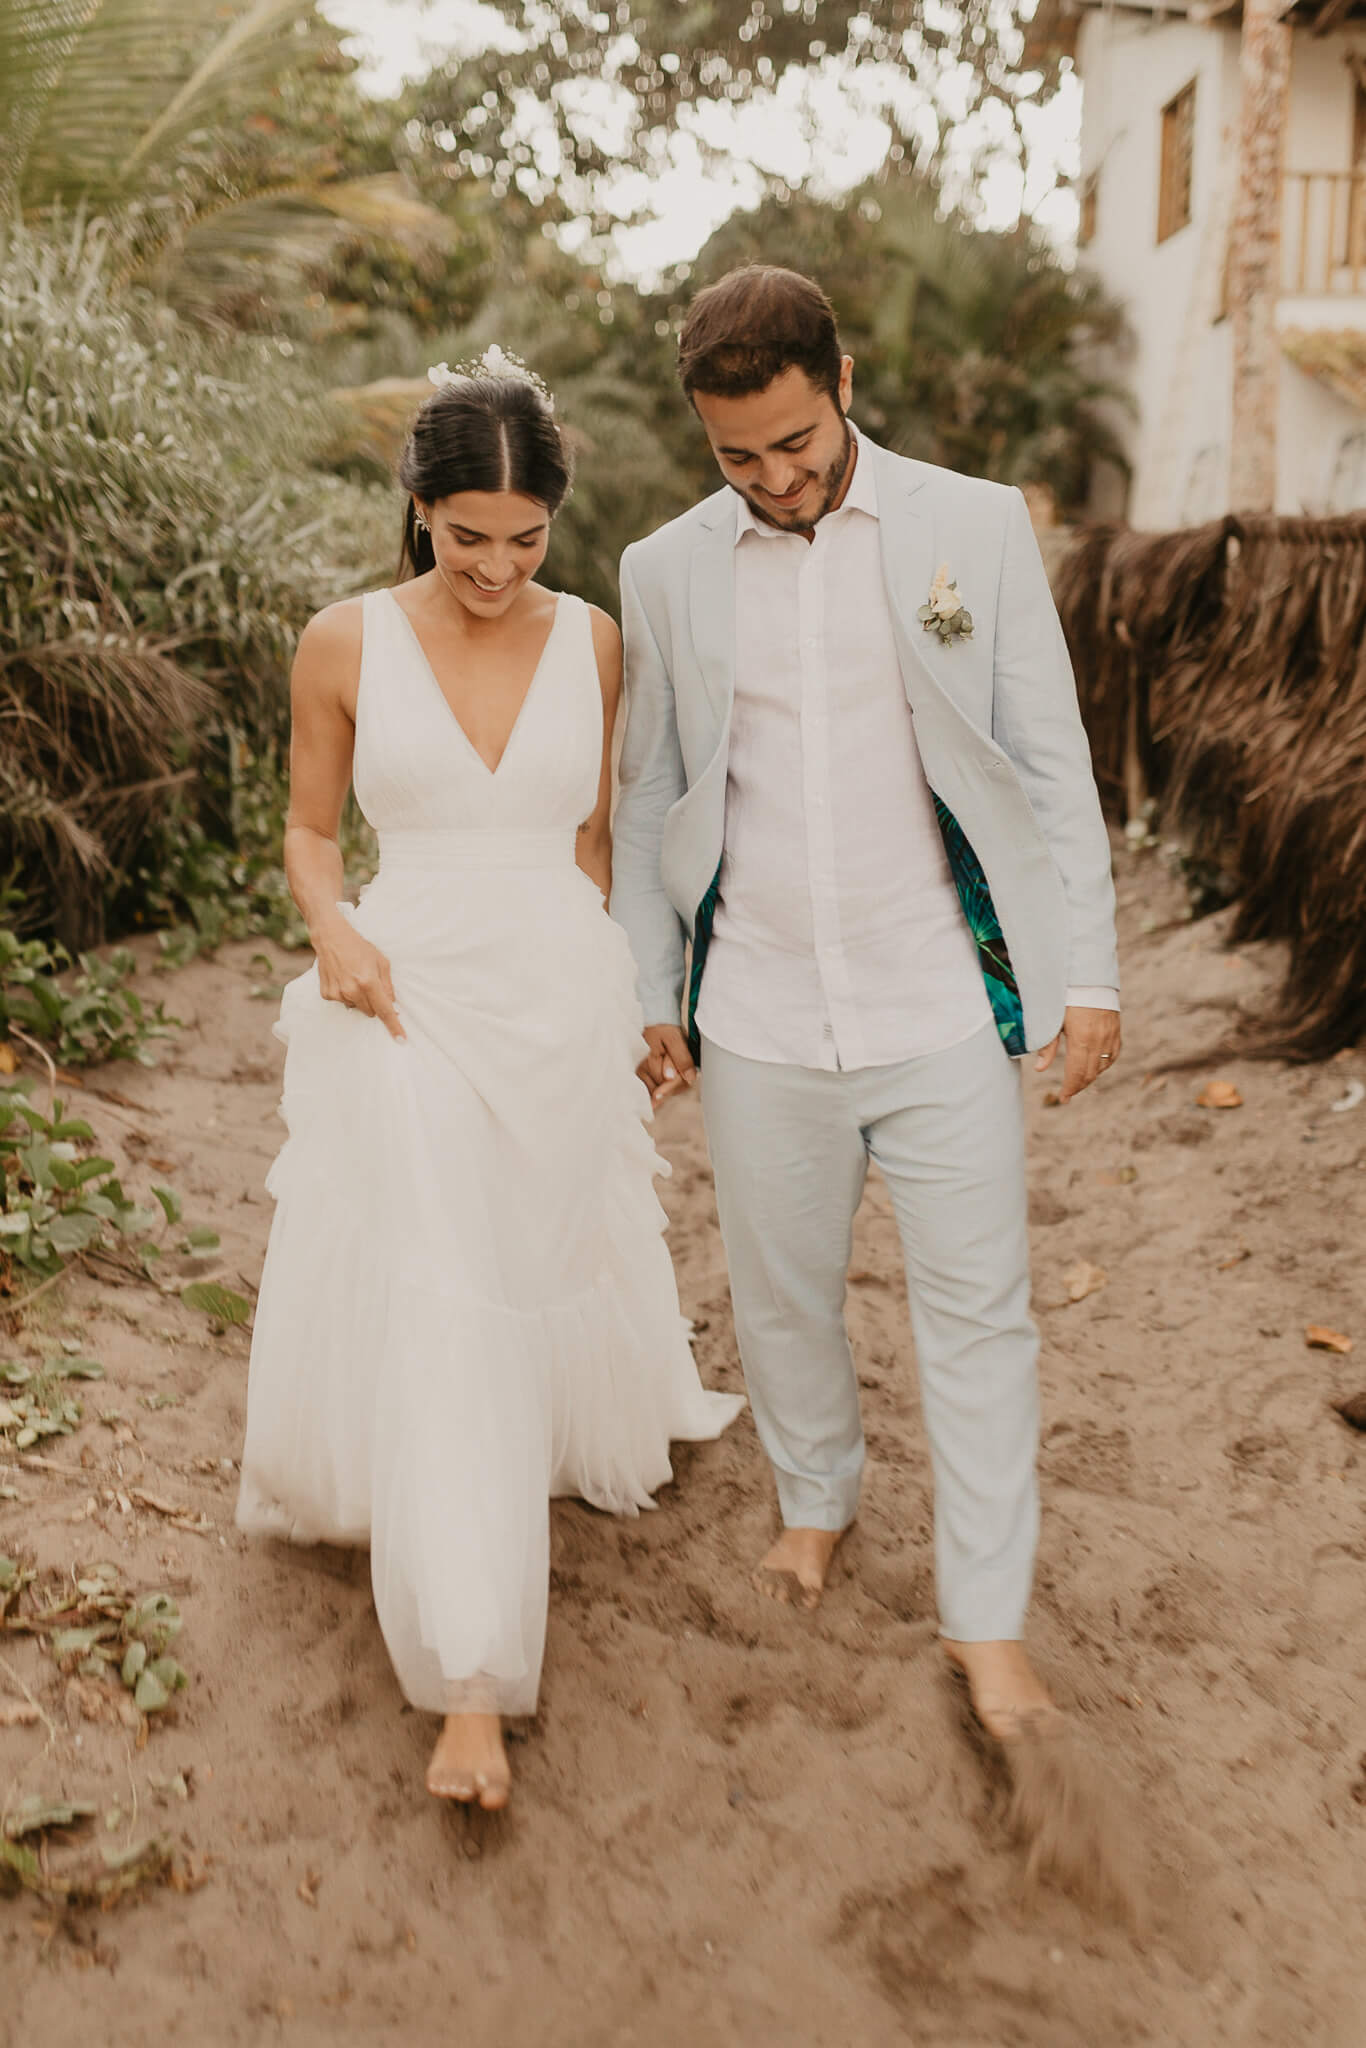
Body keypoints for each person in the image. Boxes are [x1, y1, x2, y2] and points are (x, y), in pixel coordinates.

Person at [609, 268, 1121, 1743]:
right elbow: (651, 795)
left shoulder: (971, 525)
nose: (773, 480)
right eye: (735, 457)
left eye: (793, 443)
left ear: (838, 381)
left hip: (938, 1000)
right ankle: (814, 1502)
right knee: (778, 1303)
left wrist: (1083, 973)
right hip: (757, 1009)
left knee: (979, 1314)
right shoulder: (665, 569)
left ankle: (985, 1621)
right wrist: (656, 988)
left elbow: (1042, 755)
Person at [236, 351, 743, 1810]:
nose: (497, 568)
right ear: (416, 508)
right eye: (468, 538)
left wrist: (643, 1000)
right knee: (447, 1283)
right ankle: (469, 1678)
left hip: (557, 990)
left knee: (527, 1252)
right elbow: (310, 834)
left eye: (525, 541)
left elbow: (602, 846)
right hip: (401, 991)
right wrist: (330, 928)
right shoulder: (341, 642)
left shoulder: (592, 642)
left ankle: (517, 1481)